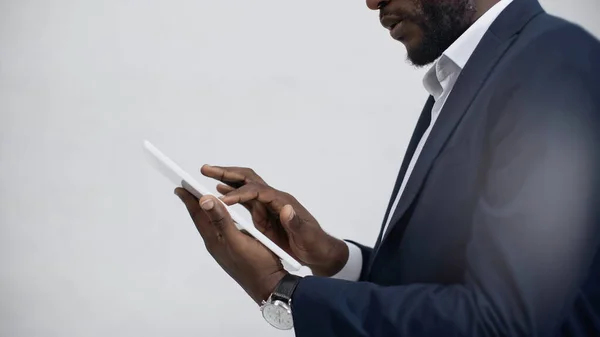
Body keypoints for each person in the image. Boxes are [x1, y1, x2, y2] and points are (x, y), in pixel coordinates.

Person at [174, 0, 600, 335]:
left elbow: (506, 324)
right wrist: (335, 259)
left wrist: (282, 291)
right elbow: (449, 281)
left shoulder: (551, 64)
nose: (372, 3)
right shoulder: (467, 77)